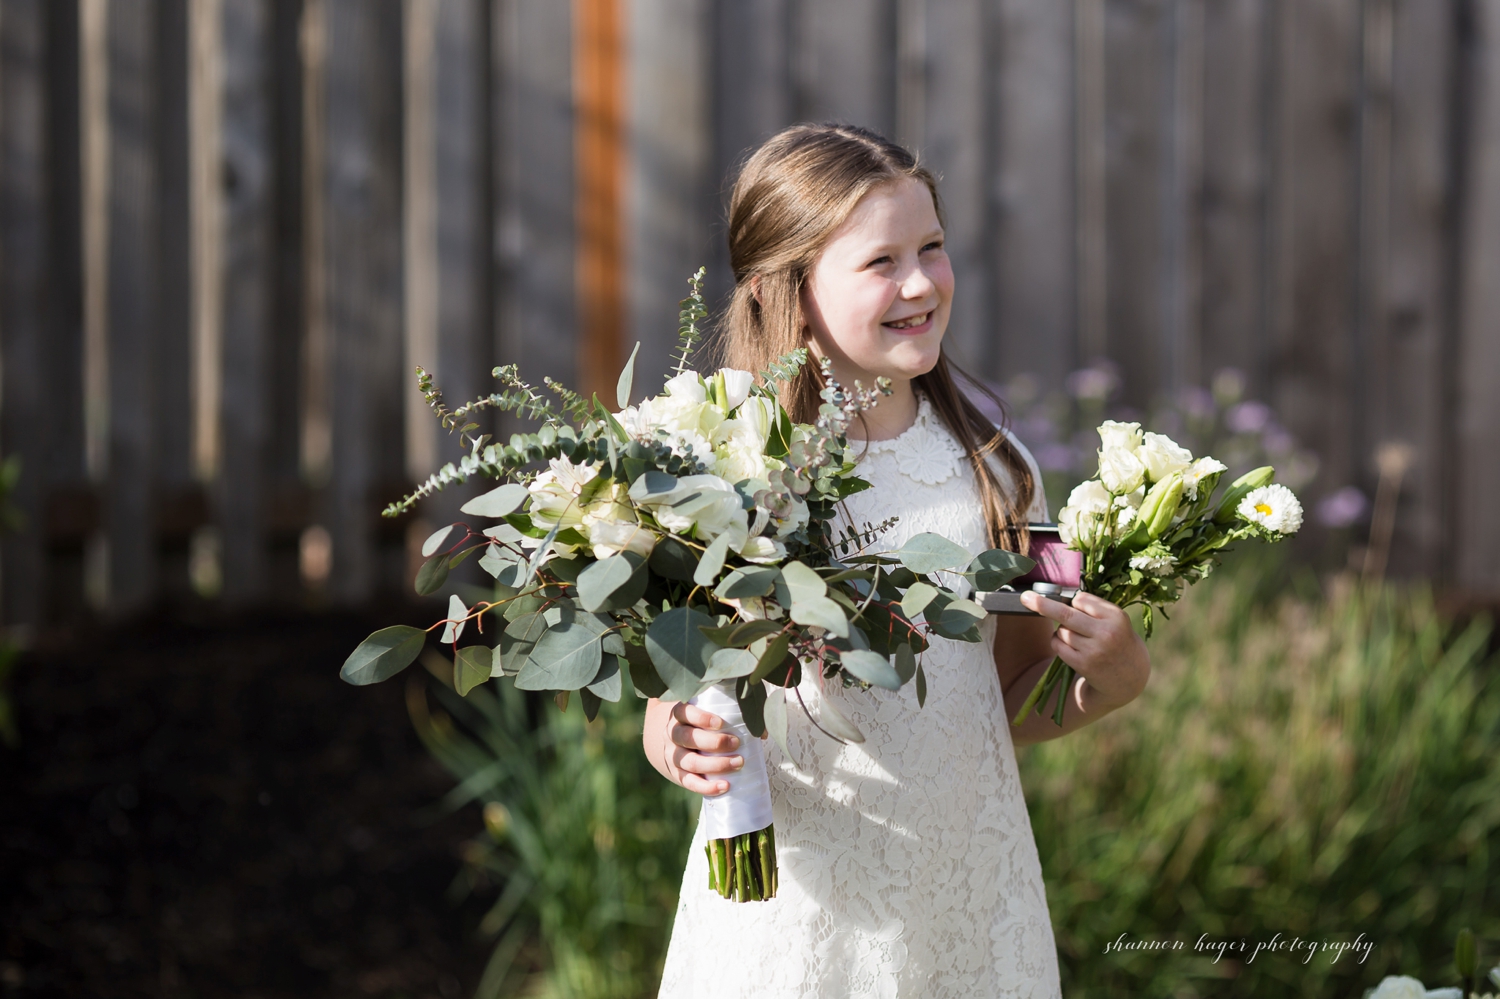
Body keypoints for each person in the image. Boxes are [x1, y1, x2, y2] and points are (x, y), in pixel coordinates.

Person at [643, 123, 1151, 998]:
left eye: (933, 247)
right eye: (881, 262)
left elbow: (1009, 704)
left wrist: (1115, 677)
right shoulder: (727, 473)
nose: (921, 282)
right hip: (798, 910)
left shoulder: (998, 471)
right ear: (789, 291)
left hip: (966, 902)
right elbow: (677, 699)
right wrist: (678, 743)